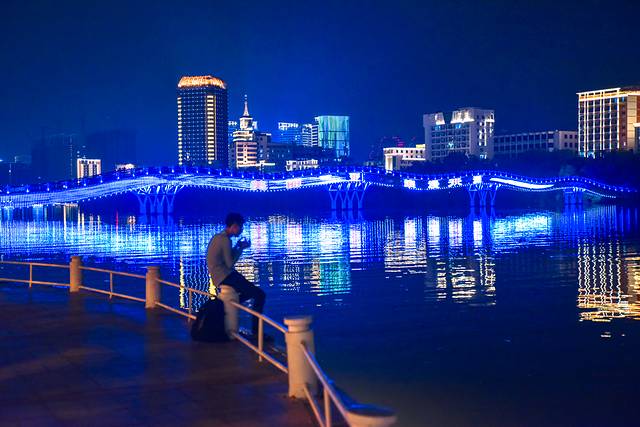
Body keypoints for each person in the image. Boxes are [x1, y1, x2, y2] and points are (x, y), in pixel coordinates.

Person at [206, 212, 266, 337]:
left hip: (219, 276)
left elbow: (225, 258)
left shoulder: (218, 237)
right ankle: (257, 333)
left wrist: (238, 246)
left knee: (251, 293)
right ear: (234, 226)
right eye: (240, 227)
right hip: (225, 276)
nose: (241, 230)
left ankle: (227, 305)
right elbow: (230, 263)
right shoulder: (225, 240)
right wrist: (241, 248)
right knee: (260, 295)